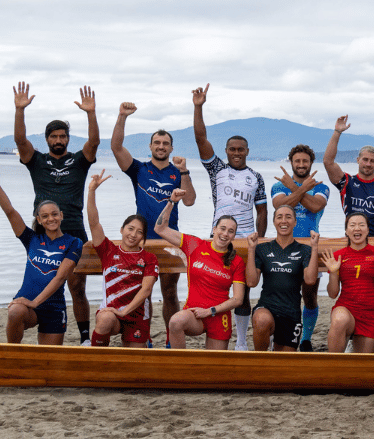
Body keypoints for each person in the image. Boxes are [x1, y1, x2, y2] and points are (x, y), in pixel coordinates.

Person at [13, 82, 98, 345]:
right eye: (54, 137)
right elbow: (20, 140)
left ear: (67, 139)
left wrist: (90, 114)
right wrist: (20, 110)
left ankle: (84, 337)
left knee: (76, 286)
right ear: (47, 139)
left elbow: (94, 141)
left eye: (63, 136)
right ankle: (44, 320)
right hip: (43, 231)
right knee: (43, 278)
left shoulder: (79, 161)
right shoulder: (37, 161)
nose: (59, 140)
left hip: (73, 230)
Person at [0, 152, 83, 345]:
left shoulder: (73, 242)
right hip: (27, 306)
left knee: (49, 362)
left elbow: (59, 278)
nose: (51, 219)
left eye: (54, 214)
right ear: (39, 219)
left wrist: (36, 302)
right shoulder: (31, 239)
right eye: (45, 216)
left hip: (53, 308)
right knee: (15, 310)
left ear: (61, 216)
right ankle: (12, 353)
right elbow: (9, 210)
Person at [111, 101, 196, 346]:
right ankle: (143, 337)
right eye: (156, 143)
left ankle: (171, 339)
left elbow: (189, 201)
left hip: (169, 238)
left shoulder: (177, 171)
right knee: (142, 293)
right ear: (150, 146)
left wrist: (185, 172)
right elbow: (116, 147)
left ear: (171, 147)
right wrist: (122, 117)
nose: (161, 146)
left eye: (165, 143)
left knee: (170, 292)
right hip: (142, 239)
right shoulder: (139, 169)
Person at [192, 84, 267, 350]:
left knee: (243, 292)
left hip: (245, 241)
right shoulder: (217, 171)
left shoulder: (256, 177)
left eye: (241, 149)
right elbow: (201, 139)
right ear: (226, 152)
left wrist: (259, 237)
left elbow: (262, 210)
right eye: (232, 149)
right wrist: (198, 107)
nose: (236, 153)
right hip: (219, 237)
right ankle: (212, 330)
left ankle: (242, 341)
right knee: (214, 287)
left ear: (247, 151)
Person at [154, 188, 246, 350]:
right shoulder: (195, 245)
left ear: (234, 236)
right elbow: (160, 229)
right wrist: (172, 202)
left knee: (214, 370)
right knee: (175, 322)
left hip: (218, 316)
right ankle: (180, 370)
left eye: (231, 231)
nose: (225, 234)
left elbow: (237, 300)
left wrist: (209, 311)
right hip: (194, 314)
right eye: (222, 228)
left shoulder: (236, 261)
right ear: (214, 229)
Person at [84, 171, 159, 348]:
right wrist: (92, 191)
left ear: (143, 237)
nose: (133, 234)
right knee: (104, 318)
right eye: (130, 228)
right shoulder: (108, 250)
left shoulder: (149, 258)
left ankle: (144, 340)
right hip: (112, 313)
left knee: (134, 366)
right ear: (121, 229)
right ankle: (96, 361)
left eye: (139, 232)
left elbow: (146, 290)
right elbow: (94, 222)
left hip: (137, 316)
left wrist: (125, 311)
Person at [269, 144, 329, 351]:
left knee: (309, 296)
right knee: (283, 295)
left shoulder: (321, 186)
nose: (301, 164)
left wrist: (295, 188)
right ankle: (282, 335)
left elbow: (314, 206)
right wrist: (303, 189)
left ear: (311, 163)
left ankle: (306, 338)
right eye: (297, 161)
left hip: (310, 248)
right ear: (291, 162)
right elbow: (281, 207)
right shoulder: (278, 186)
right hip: (285, 247)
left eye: (305, 161)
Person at [321, 216, 374, 353]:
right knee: (340, 319)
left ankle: (352, 347)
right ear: (346, 231)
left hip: (370, 314)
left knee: (362, 365)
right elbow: (332, 293)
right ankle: (333, 366)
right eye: (352, 225)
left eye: (361, 225)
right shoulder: (339, 255)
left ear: (368, 229)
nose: (357, 228)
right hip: (346, 308)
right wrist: (334, 273)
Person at [244, 206, 320, 352]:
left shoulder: (305, 250)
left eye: (288, 217)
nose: (283, 221)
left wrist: (315, 247)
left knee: (283, 363)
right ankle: (260, 361)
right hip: (267, 307)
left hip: (291, 312)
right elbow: (252, 282)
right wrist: (251, 249)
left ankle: (275, 345)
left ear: (295, 222)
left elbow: (310, 280)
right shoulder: (263, 249)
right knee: (262, 320)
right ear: (274, 222)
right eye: (279, 217)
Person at [322, 115, 374, 238]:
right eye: (365, 159)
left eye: (372, 161)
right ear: (358, 160)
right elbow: (328, 162)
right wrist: (337, 132)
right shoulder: (347, 182)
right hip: (351, 241)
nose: (368, 164)